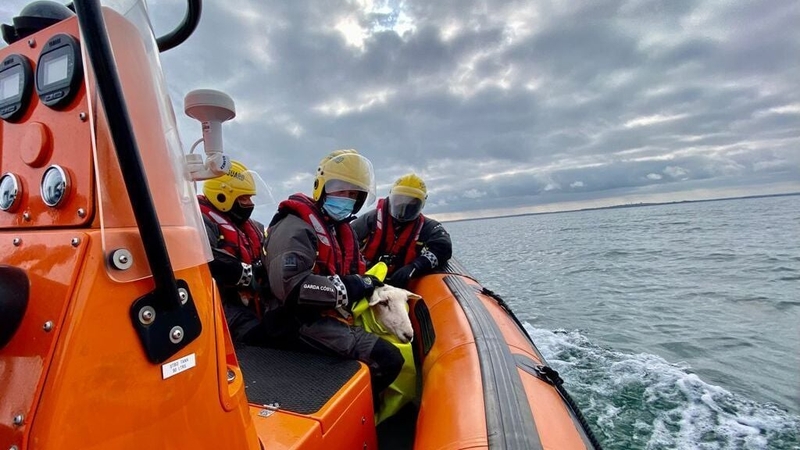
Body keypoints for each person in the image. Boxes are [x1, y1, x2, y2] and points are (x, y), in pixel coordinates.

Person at [258, 149, 404, 398]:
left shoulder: (338, 229)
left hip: (327, 314)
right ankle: (362, 416)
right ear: (322, 187)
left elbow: (356, 269)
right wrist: (349, 287)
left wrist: (366, 282)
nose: (346, 198)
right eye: (340, 190)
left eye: (353, 194)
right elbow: (292, 287)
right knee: (387, 359)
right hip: (295, 321)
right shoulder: (294, 228)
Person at [198, 160, 267, 343]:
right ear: (223, 196)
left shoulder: (251, 228)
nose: (249, 204)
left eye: (250, 198)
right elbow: (206, 262)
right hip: (218, 306)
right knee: (262, 336)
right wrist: (246, 272)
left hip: (249, 302)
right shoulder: (199, 223)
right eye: (243, 198)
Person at [352, 173, 452, 289]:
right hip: (366, 280)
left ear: (421, 203)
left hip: (401, 285)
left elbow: (443, 248)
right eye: (400, 199)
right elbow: (345, 242)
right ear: (391, 198)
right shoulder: (370, 220)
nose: (404, 205)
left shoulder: (429, 227)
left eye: (411, 201)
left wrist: (415, 266)